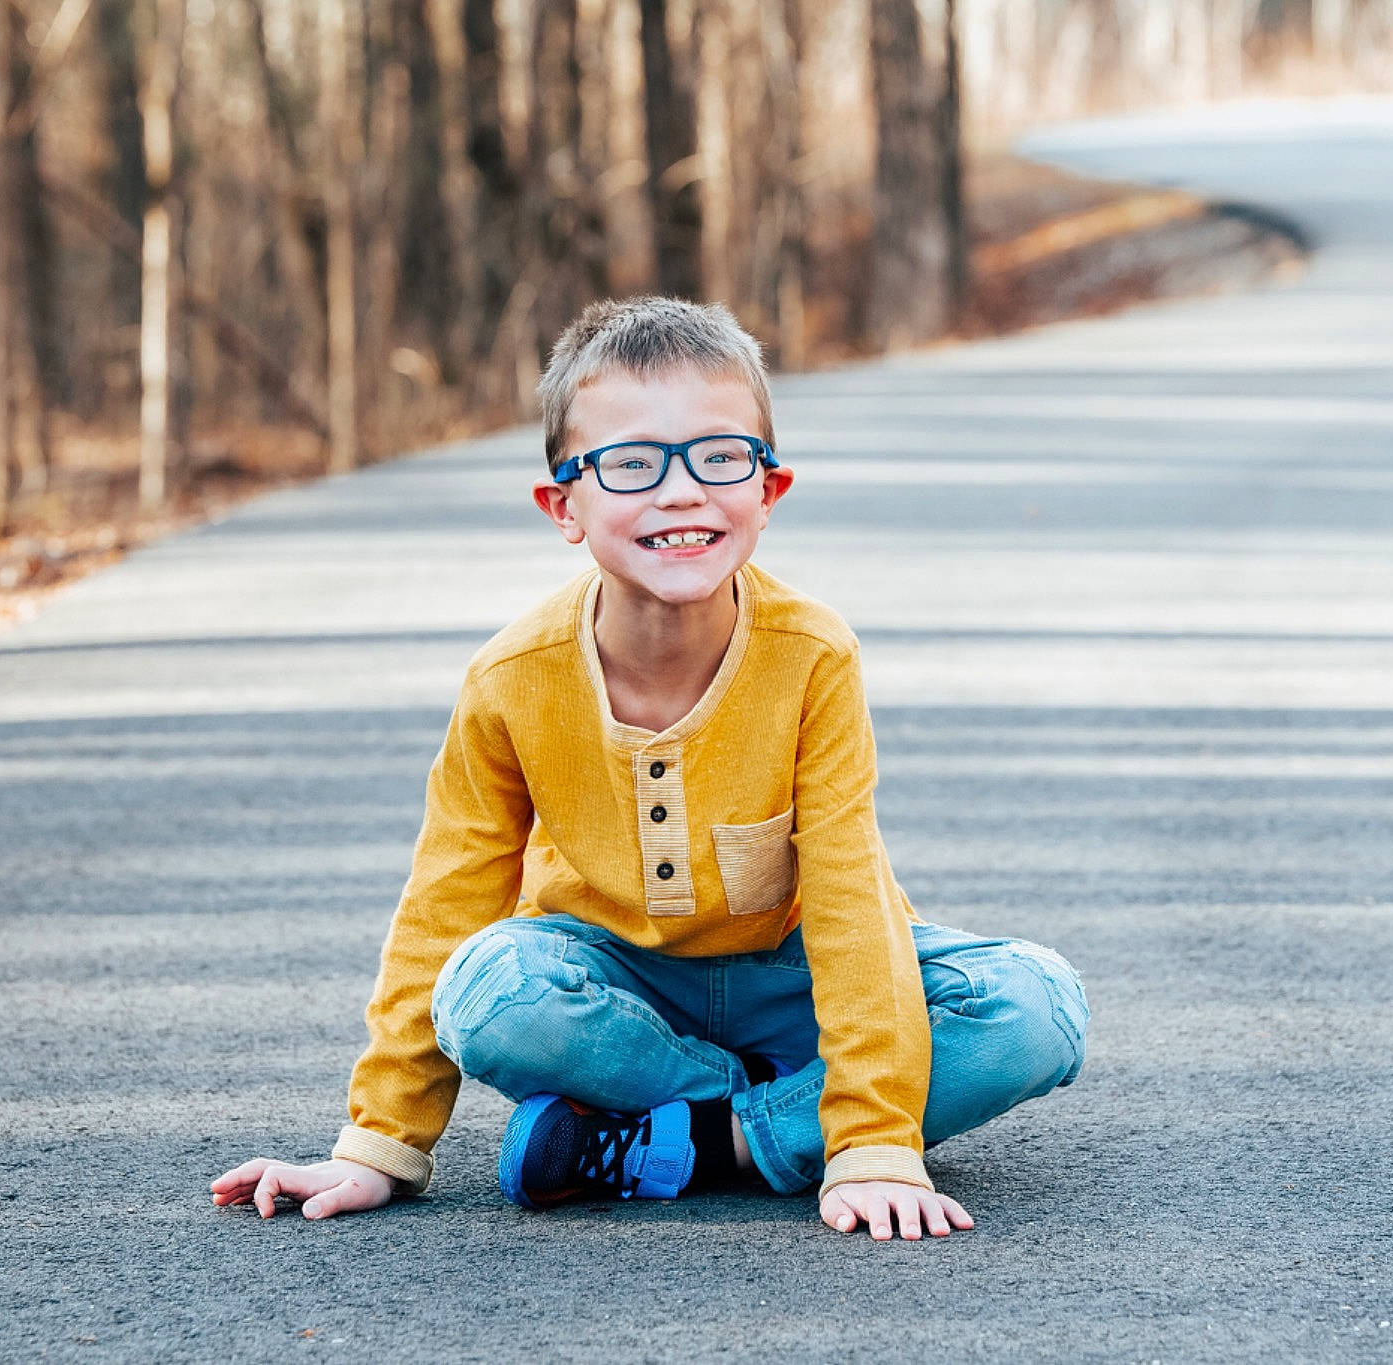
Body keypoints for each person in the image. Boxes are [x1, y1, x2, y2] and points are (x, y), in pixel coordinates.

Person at [211, 296, 1089, 1241]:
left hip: (792, 981)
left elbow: (848, 888)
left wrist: (875, 1139)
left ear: (769, 491)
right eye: (630, 464)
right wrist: (377, 1144)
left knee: (1039, 1007)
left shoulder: (814, 654)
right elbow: (446, 897)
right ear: (564, 507)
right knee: (486, 987)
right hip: (615, 993)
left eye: (721, 458)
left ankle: (694, 1142)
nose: (681, 493)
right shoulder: (511, 678)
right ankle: (775, 1118)